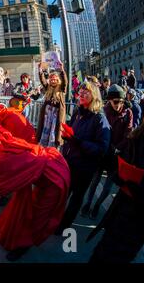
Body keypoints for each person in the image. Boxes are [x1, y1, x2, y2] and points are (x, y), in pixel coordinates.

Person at [0, 105, 70, 261]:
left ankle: (24, 246)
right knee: (29, 208)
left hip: (54, 178)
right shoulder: (3, 141)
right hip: (46, 169)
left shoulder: (4, 158)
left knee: (37, 218)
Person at [88, 118, 144, 263]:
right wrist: (121, 173)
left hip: (137, 219)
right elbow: (121, 165)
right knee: (104, 252)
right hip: (122, 210)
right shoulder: (139, 135)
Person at [55, 81, 111, 233]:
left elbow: (101, 148)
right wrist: (67, 138)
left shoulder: (100, 119)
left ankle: (64, 226)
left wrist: (78, 142)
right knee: (63, 193)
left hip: (85, 167)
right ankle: (55, 219)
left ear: (94, 96)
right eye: (80, 91)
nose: (81, 94)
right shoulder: (78, 112)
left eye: (86, 91)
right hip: (69, 161)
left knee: (76, 198)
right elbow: (73, 133)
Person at [81, 84, 133, 219]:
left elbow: (128, 134)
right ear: (109, 100)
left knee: (108, 187)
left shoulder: (128, 113)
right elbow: (100, 131)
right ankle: (87, 204)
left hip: (117, 154)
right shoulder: (103, 111)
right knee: (95, 180)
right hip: (103, 151)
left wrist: (117, 148)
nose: (119, 104)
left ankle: (97, 206)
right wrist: (105, 146)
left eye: (121, 101)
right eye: (116, 102)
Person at [37, 64, 68, 148]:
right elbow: (43, 81)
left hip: (56, 116)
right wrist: (40, 70)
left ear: (57, 80)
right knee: (45, 131)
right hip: (47, 115)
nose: (53, 81)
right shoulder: (48, 88)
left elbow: (65, 82)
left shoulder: (61, 89)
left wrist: (62, 70)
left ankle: (53, 149)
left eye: (54, 79)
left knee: (54, 132)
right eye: (51, 79)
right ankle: (44, 147)